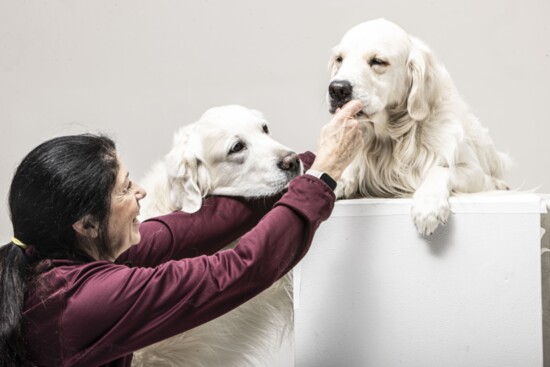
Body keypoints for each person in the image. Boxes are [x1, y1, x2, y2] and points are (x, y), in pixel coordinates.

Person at [0, 100, 364, 367]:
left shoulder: (63, 255)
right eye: (126, 189)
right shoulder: (82, 301)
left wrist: (306, 166)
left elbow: (189, 228)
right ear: (87, 224)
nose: (141, 192)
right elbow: (240, 270)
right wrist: (322, 180)